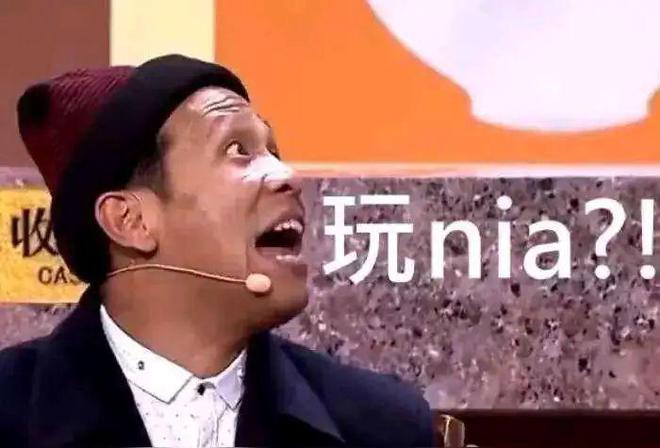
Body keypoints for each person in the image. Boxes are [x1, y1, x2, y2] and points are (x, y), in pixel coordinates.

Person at [0, 55, 434, 447]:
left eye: (273, 151)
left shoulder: (379, 427)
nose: (287, 176)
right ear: (130, 221)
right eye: (238, 150)